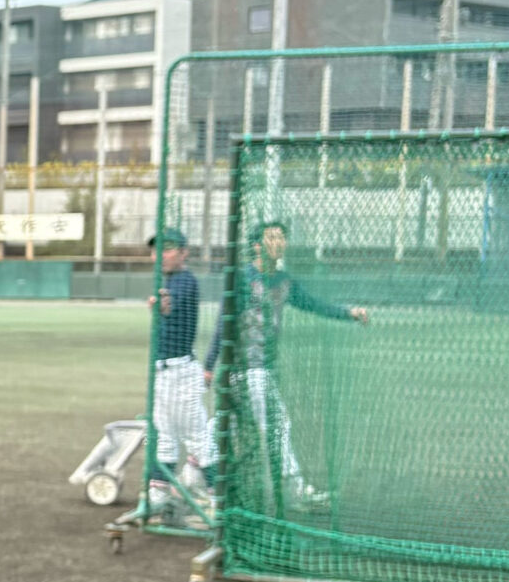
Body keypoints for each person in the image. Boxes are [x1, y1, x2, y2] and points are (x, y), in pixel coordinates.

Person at [219, 219, 369, 505]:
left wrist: (347, 313)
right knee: (277, 424)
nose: (279, 243)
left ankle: (194, 476)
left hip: (259, 370)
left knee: (226, 426)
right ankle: (296, 489)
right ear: (256, 246)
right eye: (272, 237)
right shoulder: (244, 279)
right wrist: (212, 366)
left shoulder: (283, 281)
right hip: (247, 369)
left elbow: (313, 304)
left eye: (282, 238)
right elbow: (223, 323)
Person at [139, 227, 216, 527]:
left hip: (181, 374)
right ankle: (159, 497)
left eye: (168, 248)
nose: (160, 255)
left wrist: (163, 304)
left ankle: (218, 504)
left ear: (184, 253)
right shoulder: (168, 280)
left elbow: (172, 301)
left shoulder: (184, 280)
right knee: (163, 437)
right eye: (156, 249)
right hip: (166, 373)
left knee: (198, 439)